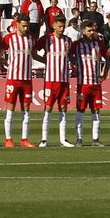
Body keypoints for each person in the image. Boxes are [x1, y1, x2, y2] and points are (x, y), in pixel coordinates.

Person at [38, 14, 75, 147]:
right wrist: (45, 60)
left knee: (63, 108)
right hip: (50, 80)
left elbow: (70, 56)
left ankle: (63, 139)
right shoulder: (47, 39)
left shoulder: (68, 40)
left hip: (64, 80)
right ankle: (44, 139)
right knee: (48, 108)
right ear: (53, 25)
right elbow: (34, 51)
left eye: (63, 26)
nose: (61, 28)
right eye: (59, 26)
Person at [74, 17, 110, 147]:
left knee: (96, 110)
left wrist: (104, 74)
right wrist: (76, 65)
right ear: (83, 31)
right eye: (89, 30)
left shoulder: (98, 44)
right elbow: (68, 55)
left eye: (93, 30)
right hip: (83, 83)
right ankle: (79, 139)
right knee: (80, 110)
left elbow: (107, 59)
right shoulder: (77, 44)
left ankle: (95, 139)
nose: (92, 32)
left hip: (96, 83)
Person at [2, 16, 36, 147]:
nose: (26, 28)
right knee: (10, 109)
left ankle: (24, 139)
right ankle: (8, 139)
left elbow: (34, 54)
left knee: (26, 109)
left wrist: (47, 61)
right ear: (17, 25)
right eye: (23, 26)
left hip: (27, 79)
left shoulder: (31, 38)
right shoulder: (9, 38)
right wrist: (7, 63)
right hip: (13, 78)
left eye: (27, 26)